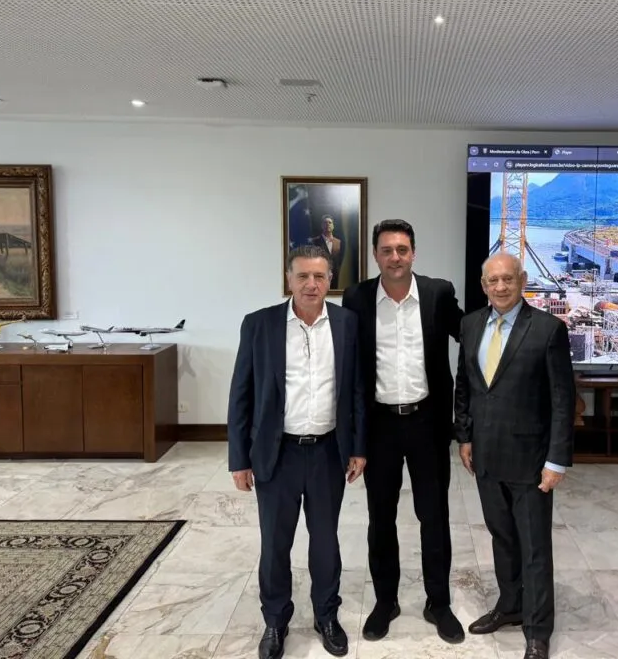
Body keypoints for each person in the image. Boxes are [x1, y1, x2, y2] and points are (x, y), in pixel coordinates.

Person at [227, 244, 367, 659]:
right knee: (275, 544)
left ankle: (327, 615)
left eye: (319, 276)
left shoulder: (346, 324)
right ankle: (275, 620)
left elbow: (356, 391)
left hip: (327, 453)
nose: (311, 284)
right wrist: (239, 459)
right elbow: (241, 394)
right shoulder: (260, 324)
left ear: (330, 280)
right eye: (303, 276)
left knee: (325, 541)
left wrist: (358, 447)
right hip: (277, 454)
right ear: (288, 279)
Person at [341, 219, 465, 644]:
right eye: (387, 250)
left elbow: (472, 334)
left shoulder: (438, 293)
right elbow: (346, 362)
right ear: (375, 255)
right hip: (379, 427)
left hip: (427, 423)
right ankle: (385, 601)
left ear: (414, 253)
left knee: (434, 516)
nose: (395, 257)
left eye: (402, 249)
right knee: (381, 518)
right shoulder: (357, 297)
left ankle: (438, 603)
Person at [454, 252, 577, 659]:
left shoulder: (547, 329)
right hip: (486, 457)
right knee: (502, 537)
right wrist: (465, 436)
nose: (501, 287)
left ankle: (537, 630)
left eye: (508, 279)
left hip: (531, 461)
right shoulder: (471, 325)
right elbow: (465, 386)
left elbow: (562, 400)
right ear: (483, 285)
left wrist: (556, 460)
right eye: (493, 281)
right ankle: (509, 605)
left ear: (522, 281)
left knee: (534, 547)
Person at [308, 214, 344, 286]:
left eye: (330, 222)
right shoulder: (314, 241)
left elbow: (341, 261)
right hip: (319, 277)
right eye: (325, 222)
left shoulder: (339, 242)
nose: (328, 224)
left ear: (333, 226)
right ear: (322, 226)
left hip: (336, 278)